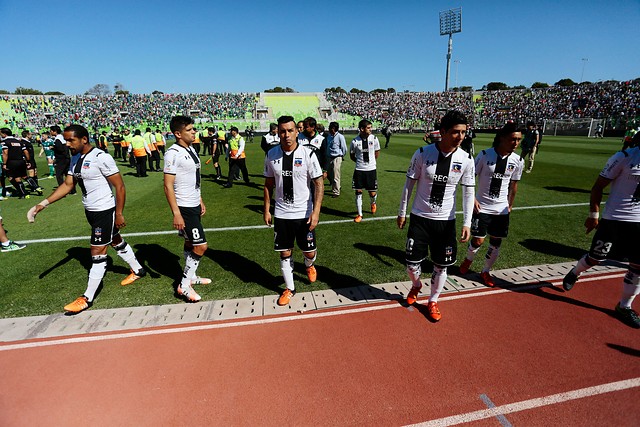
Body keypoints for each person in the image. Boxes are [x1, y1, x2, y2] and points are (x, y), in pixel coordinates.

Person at [27, 124, 146, 314]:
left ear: (84, 139)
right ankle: (138, 270)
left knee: (97, 252)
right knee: (115, 240)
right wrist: (43, 204)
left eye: (71, 140)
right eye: (65, 140)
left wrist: (120, 212)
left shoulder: (101, 157)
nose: (67, 144)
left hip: (104, 211)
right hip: (91, 211)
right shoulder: (75, 157)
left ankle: (86, 298)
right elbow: (67, 185)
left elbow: (120, 186)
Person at [397, 110, 475, 322]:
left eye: (463, 133)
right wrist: (402, 212)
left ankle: (433, 300)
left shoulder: (466, 159)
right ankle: (416, 285)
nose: (460, 137)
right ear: (442, 132)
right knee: (412, 264)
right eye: (455, 132)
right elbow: (408, 185)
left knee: (442, 265)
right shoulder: (422, 153)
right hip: (420, 218)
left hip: (446, 222)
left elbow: (468, 192)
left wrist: (467, 222)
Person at [562, 132, 640, 328]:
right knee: (596, 257)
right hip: (614, 219)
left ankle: (625, 306)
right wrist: (593, 215)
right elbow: (597, 187)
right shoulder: (624, 157)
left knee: (638, 265)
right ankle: (575, 271)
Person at [263, 115, 323, 306]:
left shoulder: (308, 154)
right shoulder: (271, 155)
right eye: (282, 131)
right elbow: (268, 184)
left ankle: (309, 265)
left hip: (304, 213)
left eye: (290, 131)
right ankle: (290, 288)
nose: (286, 135)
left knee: (310, 252)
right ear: (278, 132)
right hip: (281, 213)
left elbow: (319, 184)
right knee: (284, 252)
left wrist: (316, 212)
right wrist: (266, 209)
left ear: (297, 131)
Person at [458, 122, 524, 286]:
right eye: (513, 139)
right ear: (502, 138)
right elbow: (470, 178)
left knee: (496, 242)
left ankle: (486, 271)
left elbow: (514, 186)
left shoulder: (518, 160)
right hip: (482, 206)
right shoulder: (484, 155)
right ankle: (468, 260)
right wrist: (472, 199)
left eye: (518, 140)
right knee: (478, 241)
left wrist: (510, 205)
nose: (516, 143)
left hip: (501, 209)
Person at [163, 116, 211, 302]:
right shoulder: (172, 153)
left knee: (190, 243)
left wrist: (200, 199)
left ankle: (191, 276)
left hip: (193, 203)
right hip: (183, 206)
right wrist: (176, 213)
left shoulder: (190, 149)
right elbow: (168, 185)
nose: (194, 132)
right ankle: (183, 285)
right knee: (201, 246)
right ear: (178, 133)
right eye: (190, 129)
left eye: (193, 129)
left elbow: (193, 178)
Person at [350, 119, 380, 222]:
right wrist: (360, 163)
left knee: (372, 193)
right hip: (359, 170)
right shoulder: (354, 141)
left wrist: (370, 163)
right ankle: (360, 214)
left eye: (370, 127)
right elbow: (352, 155)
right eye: (368, 128)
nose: (370, 129)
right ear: (362, 129)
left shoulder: (374, 139)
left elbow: (376, 153)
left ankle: (373, 203)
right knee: (358, 191)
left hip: (371, 170)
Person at [1, 128, 31, 199]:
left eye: (1, 133)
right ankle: (35, 187)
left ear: (4, 134)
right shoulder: (18, 141)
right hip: (21, 161)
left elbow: (5, 153)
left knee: (14, 178)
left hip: (11, 162)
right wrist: (28, 161)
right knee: (24, 176)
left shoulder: (5, 142)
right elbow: (26, 152)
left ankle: (23, 193)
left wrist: (4, 163)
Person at [50, 125, 75, 194]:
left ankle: (62, 191)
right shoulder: (63, 138)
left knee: (59, 175)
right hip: (66, 158)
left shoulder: (57, 139)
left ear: (55, 131)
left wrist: (53, 148)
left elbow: (60, 149)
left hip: (61, 159)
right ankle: (73, 190)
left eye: (51, 131)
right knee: (68, 174)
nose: (50, 132)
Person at [326, 121, 347, 198]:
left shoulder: (340, 137)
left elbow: (344, 148)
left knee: (336, 175)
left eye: (329, 127)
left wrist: (341, 156)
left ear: (333, 128)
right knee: (329, 173)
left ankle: (336, 191)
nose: (328, 129)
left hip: (337, 157)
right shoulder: (329, 136)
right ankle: (337, 186)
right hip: (329, 157)